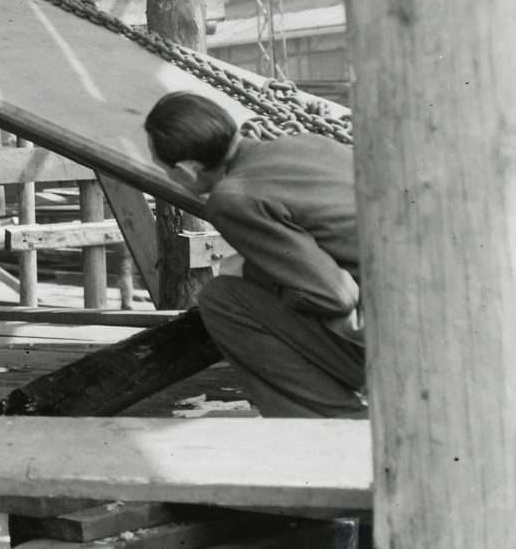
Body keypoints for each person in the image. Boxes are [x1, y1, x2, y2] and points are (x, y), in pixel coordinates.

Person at [143, 91, 366, 419]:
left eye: (165, 169)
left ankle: (336, 426)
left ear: (189, 170)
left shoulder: (232, 197)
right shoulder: (310, 143)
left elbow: (334, 296)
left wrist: (251, 273)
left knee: (222, 299)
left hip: (393, 346)